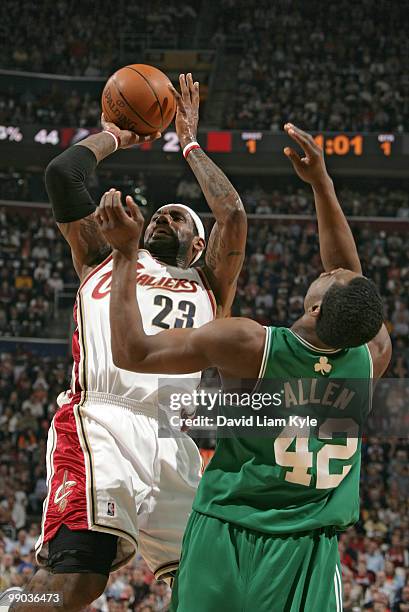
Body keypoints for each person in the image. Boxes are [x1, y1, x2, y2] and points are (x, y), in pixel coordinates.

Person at [98, 124, 392, 612]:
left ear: (317, 309)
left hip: (226, 533)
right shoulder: (370, 356)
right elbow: (352, 280)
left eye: (330, 277)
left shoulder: (251, 345)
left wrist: (126, 255)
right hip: (307, 547)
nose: (332, 267)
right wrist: (322, 183)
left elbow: (132, 353)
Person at [11, 75, 247, 612]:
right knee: (79, 584)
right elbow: (63, 173)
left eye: (179, 219)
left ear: (199, 244)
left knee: (214, 581)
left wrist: (189, 143)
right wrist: (114, 135)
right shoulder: (105, 255)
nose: (165, 216)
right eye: (160, 213)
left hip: (170, 437)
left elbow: (232, 214)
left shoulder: (210, 283)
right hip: (100, 424)